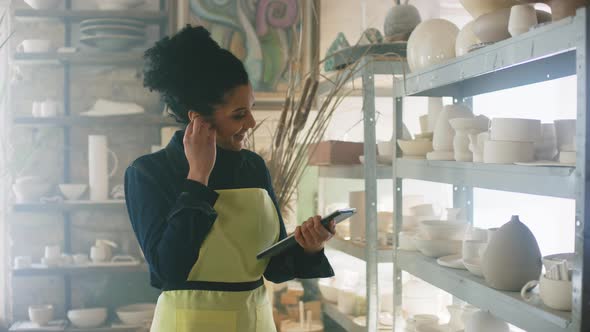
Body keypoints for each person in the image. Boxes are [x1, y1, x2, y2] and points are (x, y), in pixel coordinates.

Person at [124, 25, 336, 332]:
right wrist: (198, 177)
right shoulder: (148, 173)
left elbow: (274, 267)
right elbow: (168, 270)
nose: (250, 122)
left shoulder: (253, 167)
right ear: (197, 118)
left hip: (255, 323)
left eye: (250, 109)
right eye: (239, 114)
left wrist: (310, 246)